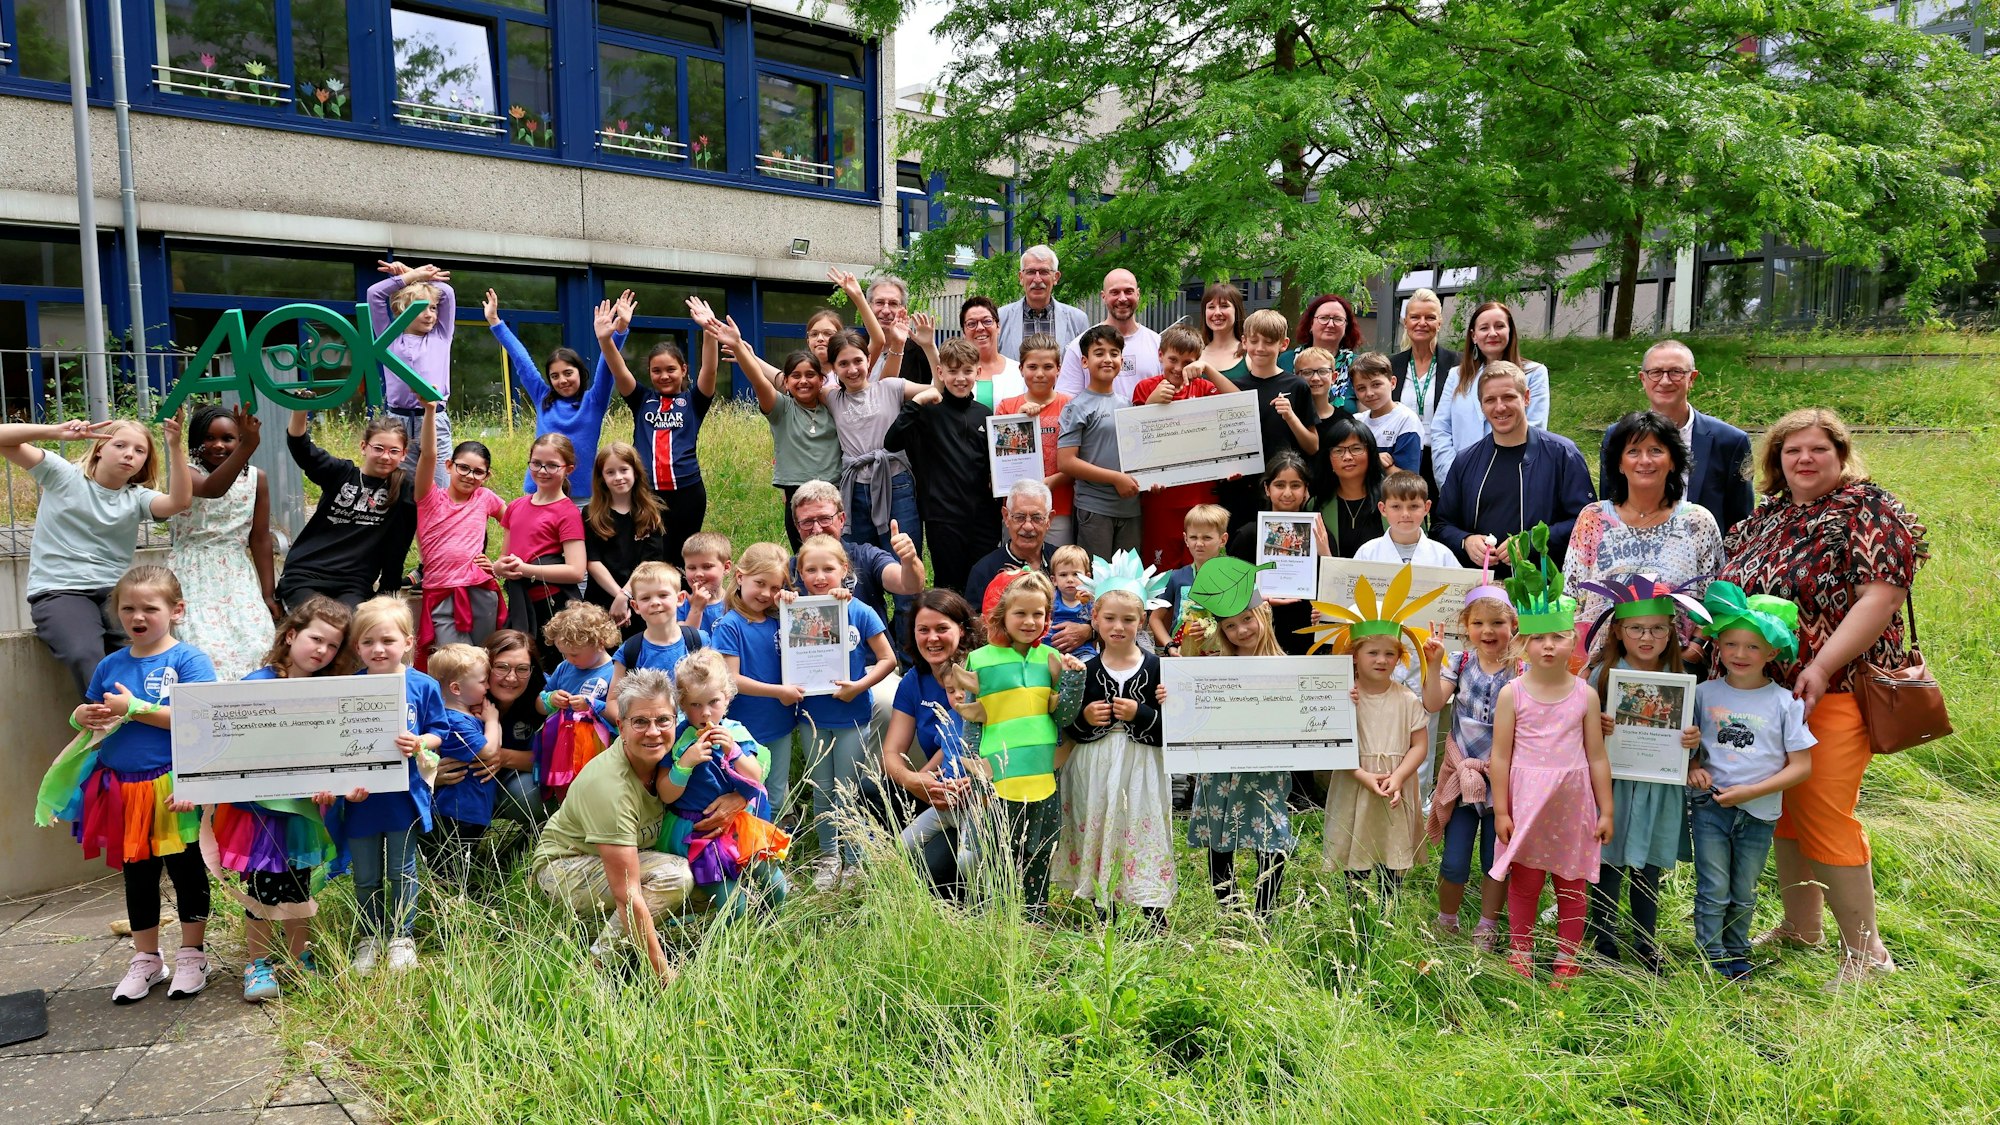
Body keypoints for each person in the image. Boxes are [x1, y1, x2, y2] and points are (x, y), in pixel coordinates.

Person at [1715, 408, 1926, 987]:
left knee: (1825, 812)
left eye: (1818, 449)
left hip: (1835, 688)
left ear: (1841, 454)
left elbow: (1880, 599)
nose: (1804, 459)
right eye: (1792, 451)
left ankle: (1867, 954)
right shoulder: (1768, 516)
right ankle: (1801, 925)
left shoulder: (1868, 510)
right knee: (1786, 811)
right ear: (1776, 460)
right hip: (1768, 695)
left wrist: (1822, 663)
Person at [39, 565, 216, 1002]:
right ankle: (147, 958)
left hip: (172, 786)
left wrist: (134, 707)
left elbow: (198, 719)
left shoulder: (188, 660)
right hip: (122, 787)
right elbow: (96, 716)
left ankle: (193, 954)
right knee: (138, 874)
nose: (138, 617)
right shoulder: (110, 664)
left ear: (176, 611)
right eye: (128, 608)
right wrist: (81, 716)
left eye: (150, 608)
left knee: (186, 870)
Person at [1486, 535, 1612, 987]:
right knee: (1525, 881)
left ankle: (1567, 959)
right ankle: (1520, 951)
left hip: (1573, 805)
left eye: (1557, 636)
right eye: (1538, 637)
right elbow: (1500, 756)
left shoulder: (1585, 695)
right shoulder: (1512, 694)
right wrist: (1502, 810)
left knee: (1572, 884)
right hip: (1526, 802)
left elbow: (1597, 756)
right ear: (1523, 643)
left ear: (1572, 640)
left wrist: (1606, 809)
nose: (1548, 646)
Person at [530, 668, 695, 986]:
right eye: (640, 722)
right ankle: (597, 966)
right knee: (675, 877)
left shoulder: (673, 759)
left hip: (620, 856)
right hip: (565, 867)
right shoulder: (611, 786)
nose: (653, 732)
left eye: (663, 720)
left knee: (703, 871)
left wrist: (734, 798)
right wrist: (664, 974)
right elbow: (627, 893)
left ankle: (640, 933)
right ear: (621, 726)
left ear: (676, 722)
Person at [5, 415, 190, 695]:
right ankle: (105, 717)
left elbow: (178, 502)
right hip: (59, 590)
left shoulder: (137, 497)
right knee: (85, 653)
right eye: (120, 445)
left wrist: (174, 446)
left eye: (139, 450)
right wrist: (56, 432)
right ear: (100, 448)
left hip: (114, 593)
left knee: (143, 651)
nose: (129, 454)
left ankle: (145, 716)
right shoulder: (63, 474)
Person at [226, 597, 352, 1002]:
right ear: (292, 635)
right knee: (263, 890)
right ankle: (258, 964)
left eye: (332, 645)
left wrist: (332, 784)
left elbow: (333, 750)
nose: (322, 650)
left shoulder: (330, 691)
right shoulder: (255, 684)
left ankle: (301, 959)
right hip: (262, 814)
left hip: (304, 813)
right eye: (316, 639)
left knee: (299, 889)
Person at [1578, 575, 1705, 971]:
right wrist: (1596, 727)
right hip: (1613, 785)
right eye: (1636, 628)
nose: (1646, 638)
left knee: (1648, 867)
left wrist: (1691, 742)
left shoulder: (1681, 678)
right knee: (1609, 862)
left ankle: (1645, 942)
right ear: (1618, 630)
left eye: (1657, 629)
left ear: (1672, 632)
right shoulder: (1602, 674)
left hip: (1657, 787)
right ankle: (1603, 939)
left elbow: (1689, 740)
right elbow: (1577, 731)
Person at [1691, 582, 1816, 980]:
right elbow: (1689, 746)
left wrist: (1751, 792)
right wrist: (1693, 766)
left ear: (1772, 653)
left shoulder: (1785, 703)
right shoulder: (1703, 694)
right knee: (1713, 886)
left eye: (1752, 647)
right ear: (1717, 646)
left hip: (1759, 812)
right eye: (1730, 644)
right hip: (1711, 806)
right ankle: (1711, 957)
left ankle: (1736, 951)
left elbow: (1801, 766)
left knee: (1743, 889)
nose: (1740, 654)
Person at [946, 570, 1084, 920]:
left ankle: (1035, 915)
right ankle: (998, 917)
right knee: (997, 850)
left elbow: (1064, 716)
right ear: (1002, 615)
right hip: (1000, 777)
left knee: (1041, 848)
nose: (1030, 621)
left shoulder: (1051, 659)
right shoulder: (980, 660)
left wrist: (1074, 679)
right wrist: (976, 772)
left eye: (1038, 614)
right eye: (1020, 613)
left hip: (1043, 774)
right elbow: (973, 722)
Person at [1054, 552, 1173, 925]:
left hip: (1142, 763)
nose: (1118, 627)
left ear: (1142, 621)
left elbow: (1174, 728)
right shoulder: (1083, 669)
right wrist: (1085, 717)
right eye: (1109, 618)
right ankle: (1103, 906)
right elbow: (1065, 722)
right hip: (1095, 764)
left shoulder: (1159, 669)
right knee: (1100, 822)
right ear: (1094, 618)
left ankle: (1152, 909)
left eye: (1128, 619)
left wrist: (1143, 714)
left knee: (1141, 823)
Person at [1313, 575, 1433, 929]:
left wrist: (1398, 777)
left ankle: (1388, 922)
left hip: (1396, 788)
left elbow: (1420, 745)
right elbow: (1331, 743)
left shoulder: (1407, 699)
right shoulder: (1343, 697)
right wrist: (1363, 775)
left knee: (1391, 856)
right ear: (1354, 655)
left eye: (1389, 653)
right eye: (1372, 652)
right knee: (1357, 856)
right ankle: (1358, 924)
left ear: (1399, 657)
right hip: (1356, 783)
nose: (1381, 660)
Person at [338, 596, 449, 975]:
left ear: (408, 642)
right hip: (361, 799)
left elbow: (439, 732)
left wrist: (419, 742)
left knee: (402, 870)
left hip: (404, 797)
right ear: (357, 647)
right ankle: (369, 937)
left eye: (387, 640)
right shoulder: (348, 688)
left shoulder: (423, 685)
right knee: (365, 874)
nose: (378, 649)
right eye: (368, 642)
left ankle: (402, 937)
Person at [1180, 557, 1296, 918]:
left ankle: (1264, 912)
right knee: (1220, 834)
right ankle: (1228, 911)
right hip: (1221, 767)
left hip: (1267, 770)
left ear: (1263, 615)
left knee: (1272, 834)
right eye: (1230, 626)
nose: (1242, 630)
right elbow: (1188, 697)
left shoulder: (1290, 668)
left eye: (1247, 619)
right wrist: (1175, 690)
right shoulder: (1215, 667)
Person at [1564, 412, 1724, 664]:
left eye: (1656, 450)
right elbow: (1571, 595)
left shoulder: (1697, 521)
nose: (1645, 460)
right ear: (1619, 463)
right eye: (1633, 451)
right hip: (1601, 665)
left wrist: (1695, 648)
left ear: (1673, 461)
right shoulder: (1593, 518)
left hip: (1675, 667)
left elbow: (1715, 597)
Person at [789, 536, 896, 889]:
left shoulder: (859, 610)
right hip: (812, 718)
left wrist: (859, 686)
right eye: (811, 569)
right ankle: (829, 857)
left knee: (848, 790)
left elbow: (888, 659)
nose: (820, 577)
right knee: (821, 790)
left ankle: (854, 859)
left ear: (844, 570)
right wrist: (784, 601)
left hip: (852, 716)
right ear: (799, 573)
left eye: (828, 568)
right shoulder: (794, 611)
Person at [1422, 581, 1523, 950]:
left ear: (1513, 624)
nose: (1487, 631)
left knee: (1495, 860)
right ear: (1466, 626)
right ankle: (1446, 919)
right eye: (1478, 623)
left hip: (1503, 780)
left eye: (1497, 623)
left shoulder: (1522, 668)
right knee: (1454, 859)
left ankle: (1487, 925)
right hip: (1462, 777)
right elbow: (1433, 703)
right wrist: (1434, 664)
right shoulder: (1460, 662)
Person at [692, 302, 840, 552]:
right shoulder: (781, 408)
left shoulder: (834, 405)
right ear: (786, 382)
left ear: (821, 380)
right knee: (804, 558)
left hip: (834, 493)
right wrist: (738, 347)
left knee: (836, 555)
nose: (803, 381)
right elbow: (759, 380)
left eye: (810, 375)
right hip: (797, 495)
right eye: (796, 376)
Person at [658, 650, 790, 923]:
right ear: (682, 704)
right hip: (696, 832)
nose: (705, 712)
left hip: (739, 827)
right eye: (695, 704)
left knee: (777, 887)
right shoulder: (677, 739)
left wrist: (734, 751)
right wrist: (685, 764)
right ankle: (724, 939)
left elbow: (755, 777)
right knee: (734, 905)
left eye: (713, 702)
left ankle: (769, 930)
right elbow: (666, 793)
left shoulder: (736, 732)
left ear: (727, 698)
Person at [1434, 362, 1594, 572]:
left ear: (1526, 398)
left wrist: (1533, 542)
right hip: (1480, 584)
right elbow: (1440, 526)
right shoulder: (1466, 461)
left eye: (1508, 397)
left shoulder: (1562, 454)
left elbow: (1588, 522)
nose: (1500, 407)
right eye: (1490, 400)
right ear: (1481, 406)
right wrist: (1465, 541)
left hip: (1544, 585)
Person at [1600, 339, 1756, 536]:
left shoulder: (1730, 441)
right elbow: (1610, 504)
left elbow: (1741, 521)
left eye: (1676, 372)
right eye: (1656, 372)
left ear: (1692, 378)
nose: (1665, 381)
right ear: (1643, 379)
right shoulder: (1617, 435)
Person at [887, 337, 1002, 595]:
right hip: (943, 517)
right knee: (949, 587)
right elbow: (891, 442)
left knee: (981, 584)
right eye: (953, 371)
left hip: (984, 518)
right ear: (940, 373)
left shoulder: (985, 414)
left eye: (967, 371)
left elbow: (996, 465)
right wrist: (917, 403)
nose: (960, 378)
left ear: (978, 372)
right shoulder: (927, 412)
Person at [171, 404, 277, 680]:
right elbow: (212, 489)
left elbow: (260, 538)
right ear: (196, 441)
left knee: (257, 641)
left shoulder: (256, 479)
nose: (218, 445)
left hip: (236, 572)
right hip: (192, 571)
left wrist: (268, 593)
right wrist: (248, 445)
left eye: (228, 438)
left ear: (238, 439)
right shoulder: (186, 472)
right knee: (200, 642)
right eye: (209, 438)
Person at [489, 290, 630, 499]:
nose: (562, 380)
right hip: (539, 492)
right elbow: (521, 361)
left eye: (568, 373)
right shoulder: (542, 397)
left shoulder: (594, 400)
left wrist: (619, 331)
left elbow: (608, 365)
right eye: (554, 376)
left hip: (581, 498)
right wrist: (495, 321)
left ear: (580, 372)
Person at [280, 410, 415, 613]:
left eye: (394, 451)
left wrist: (388, 591)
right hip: (306, 574)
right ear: (363, 447)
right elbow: (301, 446)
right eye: (378, 448)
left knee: (349, 623)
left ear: (403, 454)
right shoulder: (341, 473)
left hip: (353, 584)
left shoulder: (403, 490)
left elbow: (398, 547)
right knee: (318, 621)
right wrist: (300, 408)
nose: (385, 456)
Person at [606, 320, 716, 559]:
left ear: (683, 370)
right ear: (649, 372)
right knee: (650, 555)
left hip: (688, 492)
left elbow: (709, 369)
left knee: (684, 555)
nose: (664, 376)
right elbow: (618, 369)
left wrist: (709, 330)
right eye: (656, 371)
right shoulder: (640, 399)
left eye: (671, 369)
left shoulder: (694, 401)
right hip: (647, 492)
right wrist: (605, 338)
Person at [713, 543, 803, 821]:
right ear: (740, 577)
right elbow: (731, 679)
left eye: (775, 588)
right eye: (760, 583)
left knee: (775, 791)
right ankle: (751, 840)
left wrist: (792, 604)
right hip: (746, 726)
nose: (766, 593)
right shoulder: (730, 625)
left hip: (780, 721)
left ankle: (773, 839)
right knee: (749, 790)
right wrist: (779, 692)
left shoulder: (780, 620)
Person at [1131, 326, 1230, 571]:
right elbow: (1133, 439)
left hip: (1200, 498)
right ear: (1160, 355)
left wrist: (1208, 369)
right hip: (1160, 499)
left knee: (1201, 568)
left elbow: (1238, 403)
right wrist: (1152, 403)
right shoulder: (1145, 388)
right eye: (1172, 359)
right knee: (1160, 570)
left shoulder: (1205, 388)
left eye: (1188, 362)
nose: (1178, 368)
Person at [413, 401, 504, 662]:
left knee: (485, 658)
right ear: (449, 465)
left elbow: (515, 521)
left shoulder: (485, 497)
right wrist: (430, 411)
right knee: (456, 662)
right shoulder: (429, 497)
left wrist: (500, 562)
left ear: (486, 476)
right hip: (440, 590)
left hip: (480, 588)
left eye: (478, 472)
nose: (469, 476)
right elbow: (427, 455)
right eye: (463, 467)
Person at [1431, 301, 1551, 483]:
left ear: (1510, 331)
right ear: (1474, 336)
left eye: (1500, 326)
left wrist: (1499, 481)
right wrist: (1453, 477)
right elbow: (1441, 429)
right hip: (1460, 479)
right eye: (1484, 328)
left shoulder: (1534, 374)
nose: (1492, 333)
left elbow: (1534, 430)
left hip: (1510, 480)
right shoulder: (1457, 376)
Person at [1217, 309, 1317, 526]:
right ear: (1244, 342)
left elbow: (1312, 446)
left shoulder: (1297, 386)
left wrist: (1290, 417)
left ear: (1283, 344)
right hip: (1241, 490)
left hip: (1282, 491)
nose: (1260, 348)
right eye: (1254, 341)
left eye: (1269, 342)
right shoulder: (1235, 388)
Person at [1227, 451, 1329, 657]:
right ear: (1267, 488)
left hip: (1308, 631)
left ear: (1306, 490)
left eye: (1295, 485)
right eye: (1280, 485)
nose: (1287, 493)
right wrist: (1260, 599)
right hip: (1260, 635)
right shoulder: (1248, 535)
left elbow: (1334, 586)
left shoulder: (1320, 532)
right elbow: (1232, 591)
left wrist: (1325, 551)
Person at [494, 433, 587, 656]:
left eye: (552, 465)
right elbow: (504, 557)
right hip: (520, 603)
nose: (543, 471)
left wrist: (525, 569)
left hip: (553, 604)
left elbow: (576, 571)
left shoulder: (567, 512)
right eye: (536, 463)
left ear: (568, 469)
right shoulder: (516, 506)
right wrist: (498, 567)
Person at [787, 482, 928, 629]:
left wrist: (909, 560)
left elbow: (911, 586)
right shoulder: (788, 570)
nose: (817, 529)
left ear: (842, 519)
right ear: (797, 526)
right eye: (807, 522)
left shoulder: (866, 556)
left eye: (825, 519)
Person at [1058, 324, 1144, 560]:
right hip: (1094, 509)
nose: (1107, 359)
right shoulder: (1076, 407)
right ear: (1084, 361)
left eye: (1114, 353)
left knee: (1128, 578)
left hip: (1130, 507)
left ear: (1121, 360)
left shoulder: (1128, 404)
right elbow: (1066, 462)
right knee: (1095, 577)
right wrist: (1115, 478)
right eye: (1099, 353)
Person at [423, 643, 503, 890]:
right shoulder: (455, 722)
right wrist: (493, 721)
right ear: (456, 688)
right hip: (456, 811)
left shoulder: (463, 718)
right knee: (450, 866)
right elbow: (489, 751)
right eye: (482, 682)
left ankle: (456, 893)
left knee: (459, 861)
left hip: (467, 809)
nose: (487, 687)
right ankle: (449, 899)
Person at [368, 261, 456, 485]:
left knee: (440, 487)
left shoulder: (441, 335)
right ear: (401, 310)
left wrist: (415, 274)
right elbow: (374, 294)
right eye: (421, 308)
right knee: (400, 489)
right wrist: (411, 276)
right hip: (398, 423)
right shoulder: (388, 337)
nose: (429, 315)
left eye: (433, 308)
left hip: (434, 420)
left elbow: (447, 293)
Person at [532, 602, 620, 803]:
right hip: (562, 749)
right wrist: (551, 699)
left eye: (574, 654)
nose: (569, 659)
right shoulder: (565, 667)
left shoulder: (614, 671)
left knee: (594, 795)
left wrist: (593, 705)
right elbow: (539, 705)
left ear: (599, 642)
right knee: (564, 794)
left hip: (598, 750)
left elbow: (618, 717)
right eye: (564, 654)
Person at [997, 333, 1076, 548]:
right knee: (1017, 563)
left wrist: (1053, 481)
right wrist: (1019, 421)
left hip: (1059, 508)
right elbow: (1001, 462)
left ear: (1059, 369)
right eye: (1032, 367)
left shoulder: (1071, 407)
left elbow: (1080, 459)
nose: (1040, 374)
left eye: (1048, 367)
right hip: (1017, 511)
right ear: (1021, 369)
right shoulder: (1007, 407)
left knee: (1056, 562)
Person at [582, 442, 669, 637]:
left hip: (641, 596)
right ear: (601, 478)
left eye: (624, 470)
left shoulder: (651, 512)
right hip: (601, 597)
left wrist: (626, 595)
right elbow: (593, 561)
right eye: (610, 472)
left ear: (635, 472)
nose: (618, 477)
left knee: (639, 648)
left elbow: (650, 562)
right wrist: (618, 595)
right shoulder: (591, 514)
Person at [1389, 287, 1460, 493]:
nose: (1422, 323)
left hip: (1444, 456)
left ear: (1439, 322)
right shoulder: (1390, 366)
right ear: (1405, 322)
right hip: (1401, 457)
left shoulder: (1458, 364)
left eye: (1430, 317)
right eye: (1415, 317)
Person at [1056, 269, 1161, 399]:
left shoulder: (1158, 344)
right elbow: (1066, 400)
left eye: (1128, 291)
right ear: (1103, 296)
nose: (1122, 298)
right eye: (1115, 292)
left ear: (1138, 294)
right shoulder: (1079, 346)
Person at [964, 479, 1060, 616]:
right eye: (1019, 517)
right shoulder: (985, 571)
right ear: (1006, 517)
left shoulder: (1064, 562)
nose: (1028, 526)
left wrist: (1085, 627)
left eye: (1036, 518)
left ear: (1049, 519)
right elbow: (973, 622)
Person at [1148, 503, 1229, 656]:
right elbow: (1155, 618)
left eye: (1207, 537)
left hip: (1221, 656)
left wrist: (1215, 629)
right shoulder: (1176, 577)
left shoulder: (1234, 577)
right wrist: (1169, 645)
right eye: (1193, 537)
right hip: (1183, 655)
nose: (1199, 543)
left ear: (1222, 540)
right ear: (1185, 539)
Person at [610, 562, 703, 690]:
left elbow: (717, 685)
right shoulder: (629, 652)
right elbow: (613, 699)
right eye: (645, 598)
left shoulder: (698, 640)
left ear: (680, 598)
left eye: (663, 595)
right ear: (635, 606)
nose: (654, 602)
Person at [997, 244, 1091, 360]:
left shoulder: (1077, 320)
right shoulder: (1000, 318)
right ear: (1021, 277)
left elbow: (1085, 365)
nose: (1037, 279)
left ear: (1056, 277)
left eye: (1044, 272)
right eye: (1031, 272)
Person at [1355, 470, 1458, 567]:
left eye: (1414, 506)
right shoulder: (1366, 554)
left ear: (1426, 508)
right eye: (1396, 506)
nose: (1405, 514)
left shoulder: (1443, 556)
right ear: (1383, 509)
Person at [1319, 418, 1387, 558]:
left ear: (1371, 453)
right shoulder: (1318, 505)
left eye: (1356, 449)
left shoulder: (1392, 498)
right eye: (1338, 450)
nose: (1347, 457)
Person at [1293, 346, 1355, 497]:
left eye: (1322, 371)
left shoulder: (1345, 420)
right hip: (1293, 496)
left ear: (1334, 377)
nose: (1315, 378)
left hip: (1332, 496)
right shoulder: (1289, 418)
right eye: (1307, 372)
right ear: (1296, 377)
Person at [1351, 352, 1423, 474]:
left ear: (1392, 383)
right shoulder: (1356, 422)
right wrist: (1373, 459)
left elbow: (1408, 479)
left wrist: (1374, 462)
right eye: (1361, 388)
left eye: (1376, 385)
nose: (1369, 393)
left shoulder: (1406, 420)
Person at [1284, 295, 1363, 405]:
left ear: (1346, 326)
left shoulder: (1358, 365)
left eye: (1338, 319)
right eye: (1324, 318)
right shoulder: (1286, 361)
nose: (1330, 324)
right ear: (1311, 324)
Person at [955, 297, 1028, 405]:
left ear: (998, 327)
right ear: (964, 333)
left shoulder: (1019, 372)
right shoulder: (952, 372)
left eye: (987, 321)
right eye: (971, 324)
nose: (980, 328)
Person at [868, 276, 932, 384]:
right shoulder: (854, 347)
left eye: (893, 303)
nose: (886, 310)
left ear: (904, 309)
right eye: (879, 302)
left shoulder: (920, 353)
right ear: (869, 307)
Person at [1048, 544, 1098, 662]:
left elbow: (1099, 625)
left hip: (1082, 651)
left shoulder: (1091, 601)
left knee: (1090, 662)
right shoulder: (1050, 600)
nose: (1070, 579)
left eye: (1076, 574)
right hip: (1051, 649)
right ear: (1054, 580)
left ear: (1087, 577)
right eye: (1063, 575)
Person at [678, 532, 731, 635]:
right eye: (692, 568)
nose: (698, 574)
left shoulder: (735, 603)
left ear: (726, 567)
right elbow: (685, 641)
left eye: (707, 567)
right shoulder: (680, 605)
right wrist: (696, 609)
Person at [1197, 282, 1247, 375]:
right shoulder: (1194, 353)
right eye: (1211, 307)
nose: (1217, 313)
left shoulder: (1250, 352)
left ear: (1237, 311)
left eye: (1224, 306)